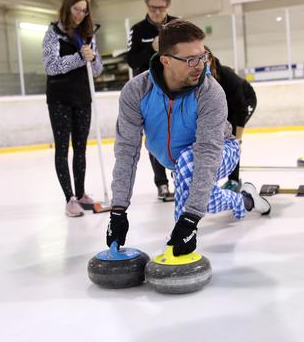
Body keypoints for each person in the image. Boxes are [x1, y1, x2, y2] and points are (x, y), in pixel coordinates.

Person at [105, 20, 270, 256]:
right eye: (191, 60)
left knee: (189, 166)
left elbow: (207, 152)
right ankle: (245, 200)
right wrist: (118, 210)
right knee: (207, 198)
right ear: (166, 60)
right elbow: (126, 152)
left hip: (223, 149)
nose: (200, 66)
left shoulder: (210, 92)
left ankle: (175, 238)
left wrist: (189, 221)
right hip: (180, 163)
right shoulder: (136, 91)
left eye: (203, 56)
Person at [43, 0, 103, 218]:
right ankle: (69, 198)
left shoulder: (89, 35)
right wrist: (79, 57)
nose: (80, 14)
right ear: (67, 8)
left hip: (82, 96)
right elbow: (51, 65)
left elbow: (97, 71)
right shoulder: (53, 33)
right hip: (60, 98)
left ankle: (81, 193)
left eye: (84, 10)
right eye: (76, 9)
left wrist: (93, 58)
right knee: (62, 148)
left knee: (81, 149)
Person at [125, 0, 178, 202]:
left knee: (179, 134)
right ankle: (162, 184)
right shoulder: (138, 30)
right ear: (147, 5)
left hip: (176, 88)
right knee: (155, 137)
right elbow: (131, 60)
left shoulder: (177, 25)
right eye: (153, 7)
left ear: (168, 6)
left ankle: (182, 178)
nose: (157, 12)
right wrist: (151, 49)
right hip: (149, 91)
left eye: (161, 8)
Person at [205, 48, 257, 191]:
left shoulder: (227, 76)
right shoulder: (200, 78)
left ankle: (233, 181)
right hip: (225, 106)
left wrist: (238, 140)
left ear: (210, 60)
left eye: (204, 60)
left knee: (232, 137)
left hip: (244, 101)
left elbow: (240, 110)